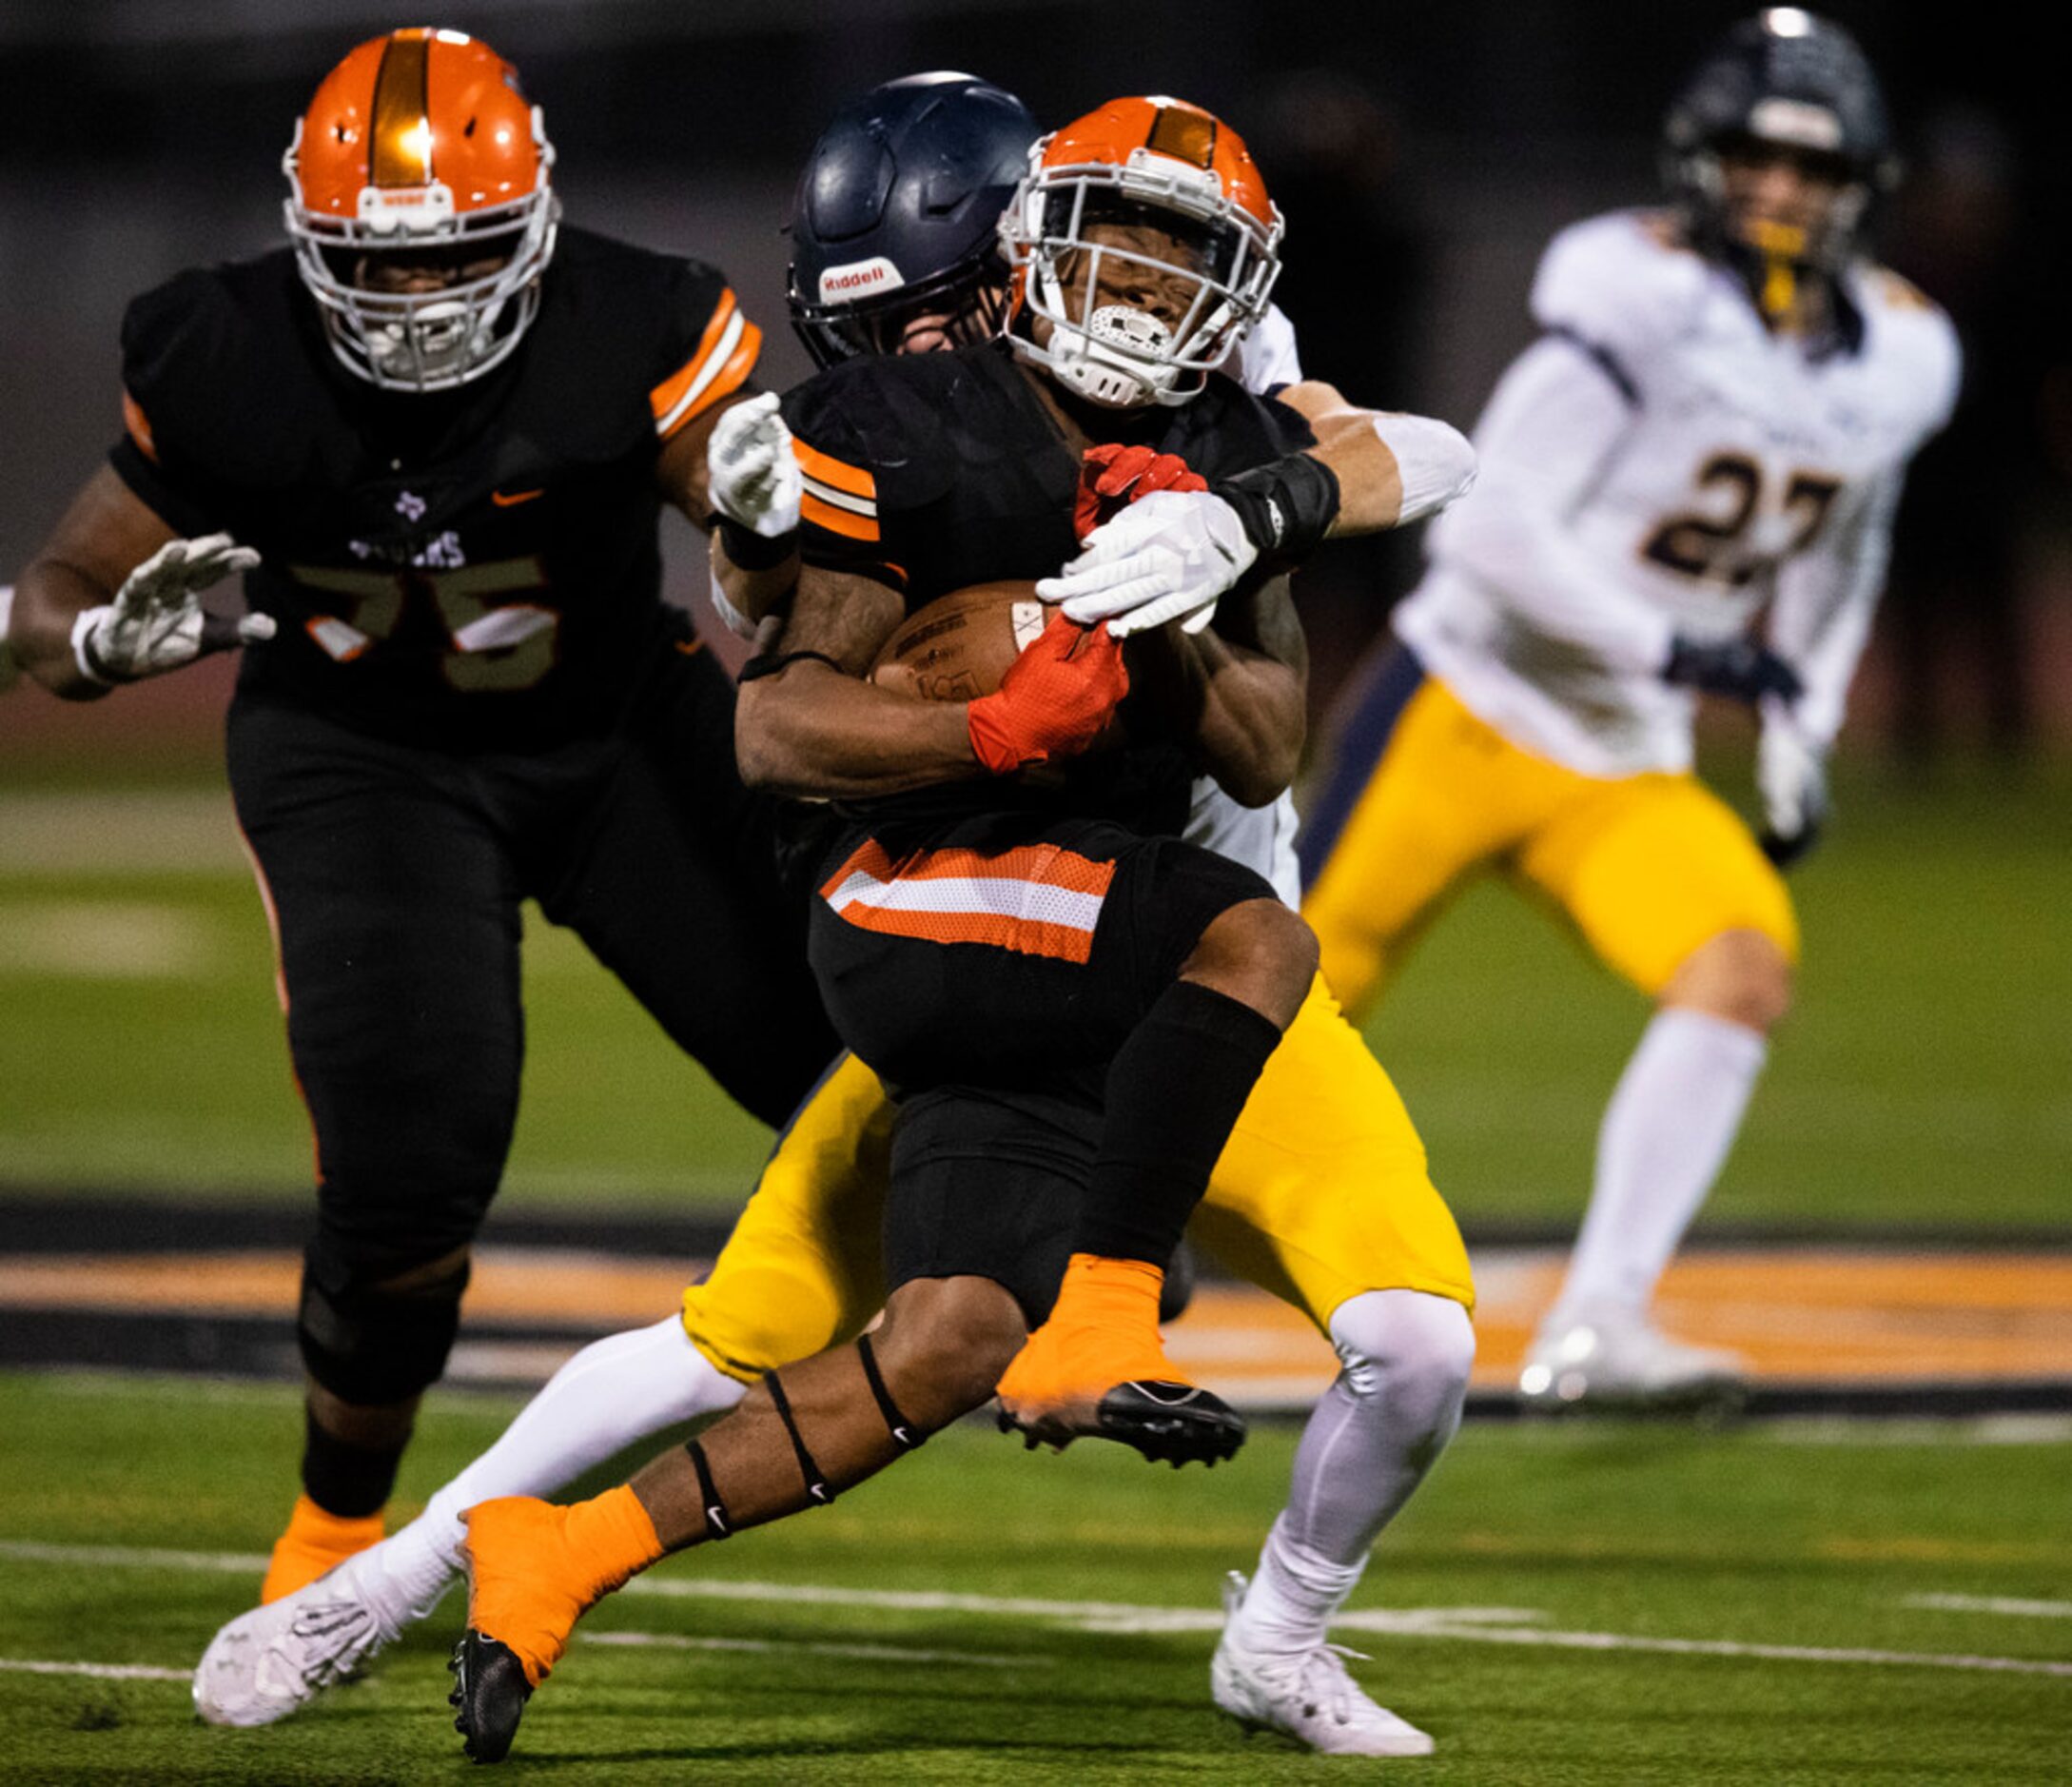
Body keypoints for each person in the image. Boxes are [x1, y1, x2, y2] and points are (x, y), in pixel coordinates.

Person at [196, 77, 1477, 1760]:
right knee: (737, 1336)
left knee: (1417, 1341)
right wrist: (757, 544)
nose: (1122, 300)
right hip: (991, 923)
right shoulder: (900, 427)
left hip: (1197, 968)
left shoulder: (1218, 390)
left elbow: (1420, 472)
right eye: (898, 322)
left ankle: (1277, 1633)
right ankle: (397, 1572)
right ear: (1029, 248)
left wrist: (1240, 520)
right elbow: (779, 668)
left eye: (924, 314)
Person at [6, 27, 839, 1603]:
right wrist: (98, 642)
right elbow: (57, 588)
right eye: (370, 270)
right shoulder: (223, 347)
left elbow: (770, 591)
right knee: (407, 1163)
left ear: (527, 224)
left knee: (848, 1041)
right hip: (357, 756)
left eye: (451, 257)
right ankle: (332, 1523)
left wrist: (765, 528)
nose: (414, 304)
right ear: (303, 245)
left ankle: (1053, 1273)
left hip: (609, 732)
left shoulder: (636, 322)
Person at [1298, 10, 1960, 1408]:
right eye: (1751, 158)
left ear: (1856, 185)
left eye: (1807, 165)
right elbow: (1486, 533)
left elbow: (1845, 553)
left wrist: (1798, 729)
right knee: (1257, 1007)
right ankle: (1058, 1251)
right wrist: (1673, 652)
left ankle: (1598, 1321)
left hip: (1616, 760)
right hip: (1463, 708)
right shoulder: (1632, 300)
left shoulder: (1896, 354)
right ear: (1699, 164)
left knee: (1738, 964)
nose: (1776, 190)